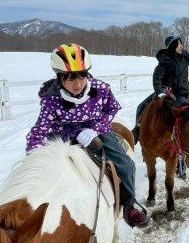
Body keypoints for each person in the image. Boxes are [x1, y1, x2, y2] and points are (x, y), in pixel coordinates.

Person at [26, 43, 150, 229]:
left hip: (95, 129)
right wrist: (34, 154)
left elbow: (112, 108)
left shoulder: (101, 89)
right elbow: (40, 130)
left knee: (124, 162)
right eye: (70, 78)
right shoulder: (51, 100)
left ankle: (129, 204)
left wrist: (97, 128)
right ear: (59, 78)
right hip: (63, 135)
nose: (77, 84)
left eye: (81, 76)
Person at [132, 34, 189, 141]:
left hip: (180, 93)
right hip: (164, 91)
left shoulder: (185, 58)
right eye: (178, 43)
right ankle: (137, 132)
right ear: (172, 46)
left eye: (181, 43)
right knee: (141, 107)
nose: (181, 45)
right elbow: (157, 78)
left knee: (181, 115)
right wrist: (160, 92)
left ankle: (182, 138)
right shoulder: (165, 60)